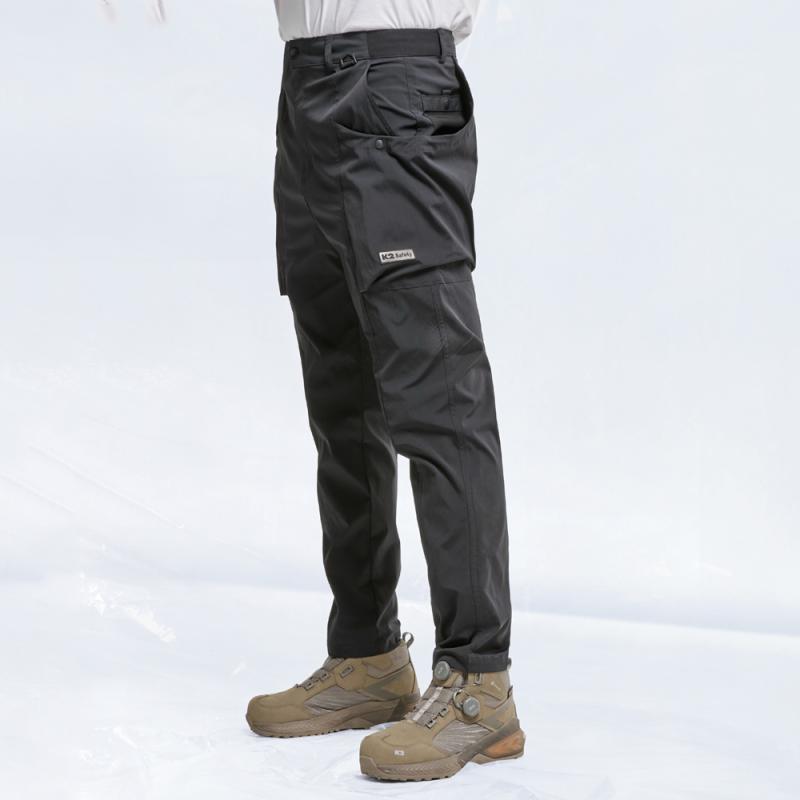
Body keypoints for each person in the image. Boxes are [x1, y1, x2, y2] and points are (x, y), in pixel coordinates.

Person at [246, 0, 525, 780]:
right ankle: (368, 657)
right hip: (307, 88)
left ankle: (478, 681)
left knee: (439, 399)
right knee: (341, 395)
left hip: (394, 89)